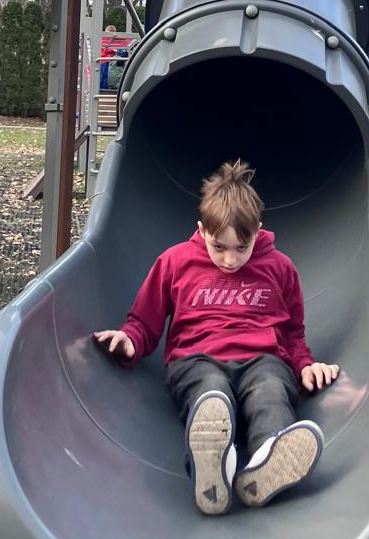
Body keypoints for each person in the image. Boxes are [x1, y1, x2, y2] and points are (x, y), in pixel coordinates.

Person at [94, 160, 339, 516]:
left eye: (242, 247)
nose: (230, 259)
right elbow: (145, 320)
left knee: (271, 391)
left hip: (263, 359)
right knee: (211, 394)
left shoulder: (279, 268)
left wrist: (304, 365)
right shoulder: (175, 262)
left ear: (258, 230)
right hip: (197, 358)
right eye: (219, 246)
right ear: (202, 229)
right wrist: (130, 339)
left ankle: (266, 464)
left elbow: (293, 332)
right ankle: (211, 467)